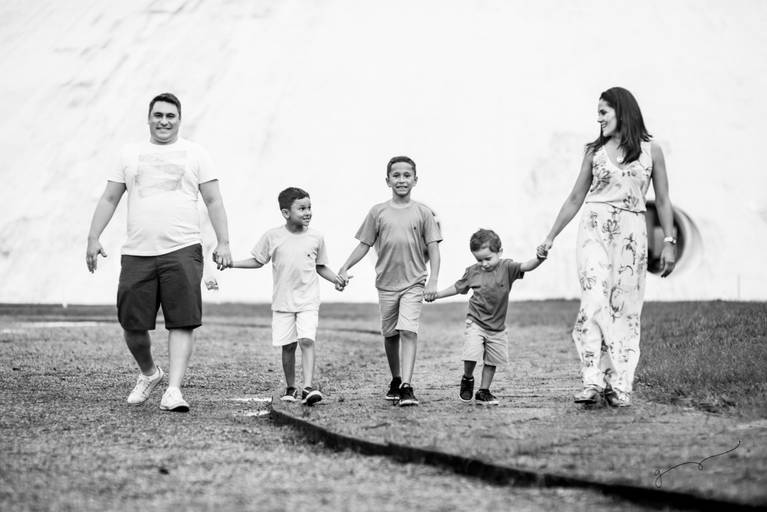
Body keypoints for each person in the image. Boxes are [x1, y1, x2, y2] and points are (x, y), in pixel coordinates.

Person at [85, 92, 232, 412]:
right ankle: (150, 373)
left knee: (182, 322)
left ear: (179, 120)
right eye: (158, 115)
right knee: (132, 325)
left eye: (170, 116)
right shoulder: (128, 154)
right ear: (149, 118)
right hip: (137, 253)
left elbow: (214, 200)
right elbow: (109, 198)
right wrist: (93, 237)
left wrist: (224, 242)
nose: (164, 121)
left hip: (183, 248)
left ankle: (174, 390)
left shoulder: (196, 153)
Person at [540, 86, 677, 407]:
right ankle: (592, 379)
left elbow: (663, 200)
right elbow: (576, 197)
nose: (598, 118)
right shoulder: (594, 152)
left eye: (603, 112)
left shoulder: (652, 151)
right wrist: (550, 236)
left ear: (622, 112)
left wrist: (669, 242)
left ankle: (619, 384)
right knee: (594, 301)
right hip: (594, 232)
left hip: (631, 238)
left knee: (625, 309)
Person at [338, 156, 441, 407]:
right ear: (387, 181)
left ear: (415, 180)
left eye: (407, 175)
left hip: (414, 282)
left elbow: (434, 249)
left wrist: (433, 280)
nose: (401, 180)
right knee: (391, 334)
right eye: (396, 175)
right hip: (386, 284)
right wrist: (344, 266)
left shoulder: (423, 212)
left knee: (408, 330)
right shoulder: (378, 212)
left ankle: (407, 386)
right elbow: (364, 244)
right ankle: (396, 379)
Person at [229, 187, 344, 405]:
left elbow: (320, 266)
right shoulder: (272, 236)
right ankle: (291, 387)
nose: (308, 212)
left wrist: (336, 279)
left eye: (309, 208)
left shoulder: (316, 237)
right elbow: (258, 260)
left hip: (308, 300)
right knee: (289, 346)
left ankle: (308, 387)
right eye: (302, 209)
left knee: (307, 340)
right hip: (283, 302)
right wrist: (232, 264)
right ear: (285, 213)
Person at [427, 229, 546, 405]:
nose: (484, 264)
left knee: (492, 360)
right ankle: (467, 377)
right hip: (476, 321)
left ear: (500, 252)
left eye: (488, 259)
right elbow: (457, 288)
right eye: (479, 260)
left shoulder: (507, 267)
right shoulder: (473, 272)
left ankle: (483, 391)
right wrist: (437, 295)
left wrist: (539, 258)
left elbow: (526, 266)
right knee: (471, 354)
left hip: (497, 327)